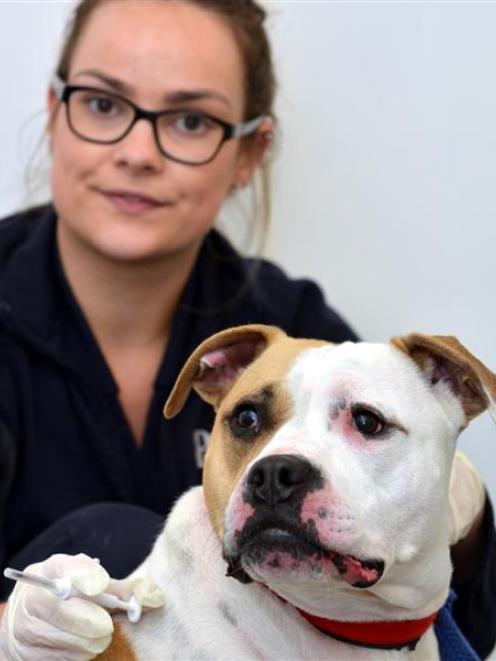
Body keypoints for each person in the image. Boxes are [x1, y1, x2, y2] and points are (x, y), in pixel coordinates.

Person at [0, 0, 494, 658]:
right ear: (55, 112)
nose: (138, 151)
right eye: (102, 104)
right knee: (110, 534)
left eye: (190, 119)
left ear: (248, 152)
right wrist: (12, 626)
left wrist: (465, 516)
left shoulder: (296, 328)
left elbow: (469, 620)